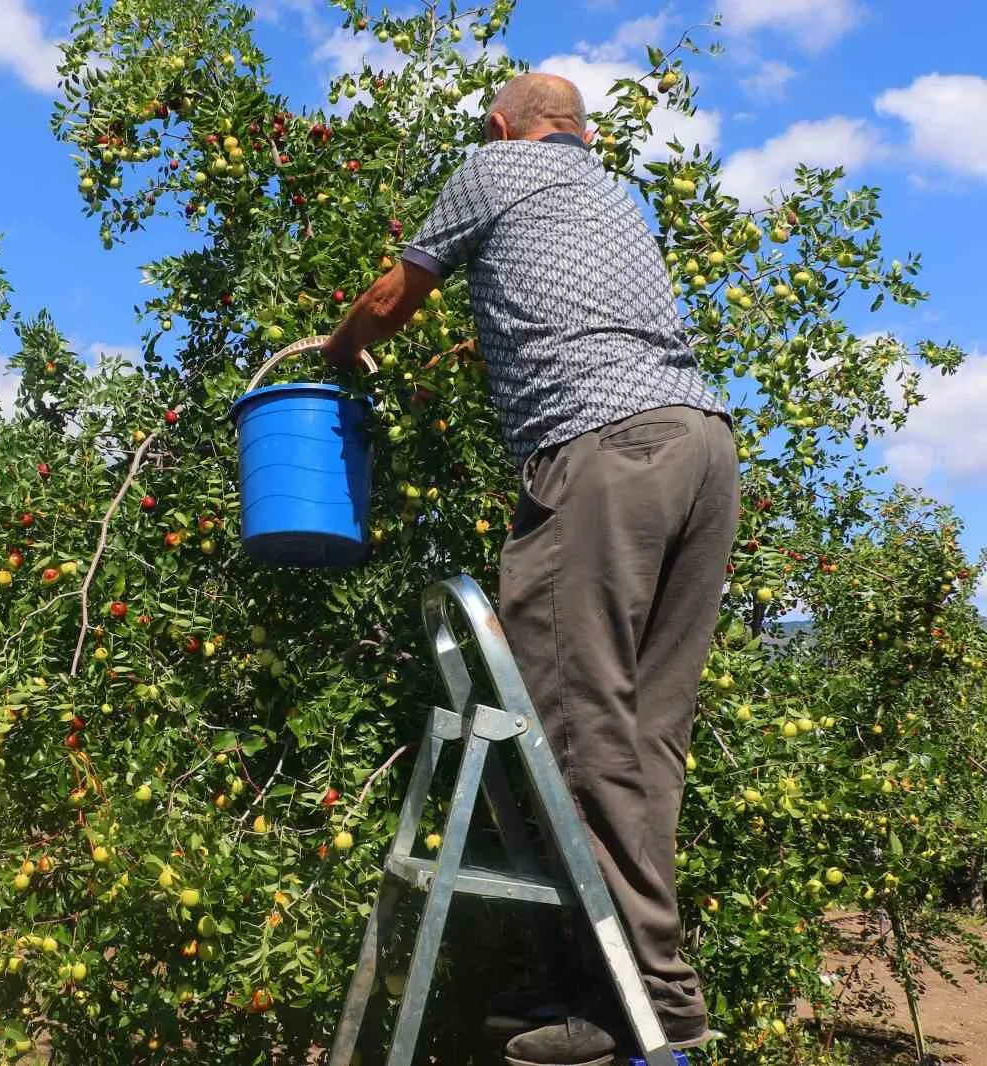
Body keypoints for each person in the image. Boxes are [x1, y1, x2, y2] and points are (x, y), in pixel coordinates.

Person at [321, 73, 738, 1066]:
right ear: (581, 131)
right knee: (644, 737)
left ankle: (653, 1006)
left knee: (567, 724)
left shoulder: (493, 162)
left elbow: (395, 293)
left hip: (602, 452)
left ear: (505, 124)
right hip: (702, 450)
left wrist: (339, 349)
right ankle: (589, 986)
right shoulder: (609, 196)